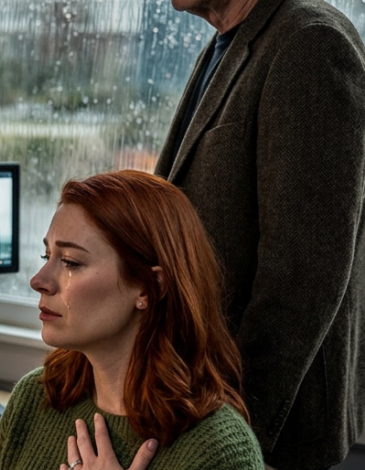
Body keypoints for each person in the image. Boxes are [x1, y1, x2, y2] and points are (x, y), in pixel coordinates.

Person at [153, 1, 365, 468]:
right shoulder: (227, 43)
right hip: (201, 407)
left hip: (268, 433)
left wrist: (236, 428)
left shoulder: (309, 42)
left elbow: (303, 274)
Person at [0, 171, 264, 469]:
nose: (38, 281)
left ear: (150, 287)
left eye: (70, 262)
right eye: (47, 257)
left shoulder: (220, 452)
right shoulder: (34, 397)